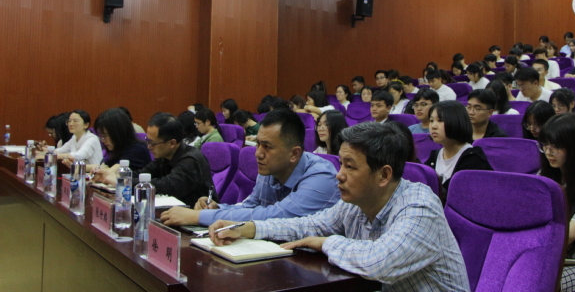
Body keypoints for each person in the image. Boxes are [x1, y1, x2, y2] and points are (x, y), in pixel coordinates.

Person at [206, 122, 470, 291]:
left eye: (350, 166)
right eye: (341, 164)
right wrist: (249, 228)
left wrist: (325, 243)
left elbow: (379, 262)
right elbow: (308, 224)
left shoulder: (419, 206)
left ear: (384, 175)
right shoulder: (355, 202)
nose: (339, 175)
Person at [160, 109, 340, 226]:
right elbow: (252, 205)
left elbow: (277, 216)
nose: (258, 154)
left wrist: (197, 217)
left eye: (267, 147)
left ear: (294, 154)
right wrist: (217, 209)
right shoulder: (269, 167)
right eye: (258, 144)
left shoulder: (321, 176)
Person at [96, 113, 215, 207]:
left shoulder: (191, 159)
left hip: (197, 220)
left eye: (152, 143)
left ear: (172, 143)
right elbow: (142, 174)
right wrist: (115, 177)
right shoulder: (164, 157)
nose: (148, 147)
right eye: (148, 141)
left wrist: (123, 183)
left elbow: (167, 186)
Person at [537, 113, 575, 292]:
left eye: (556, 146)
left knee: (548, 281)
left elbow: (568, 235)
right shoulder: (544, 176)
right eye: (545, 144)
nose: (548, 151)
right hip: (557, 257)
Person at [425, 101, 493, 204]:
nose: (433, 126)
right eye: (431, 120)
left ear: (456, 122)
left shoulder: (474, 159)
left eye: (440, 120)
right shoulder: (434, 156)